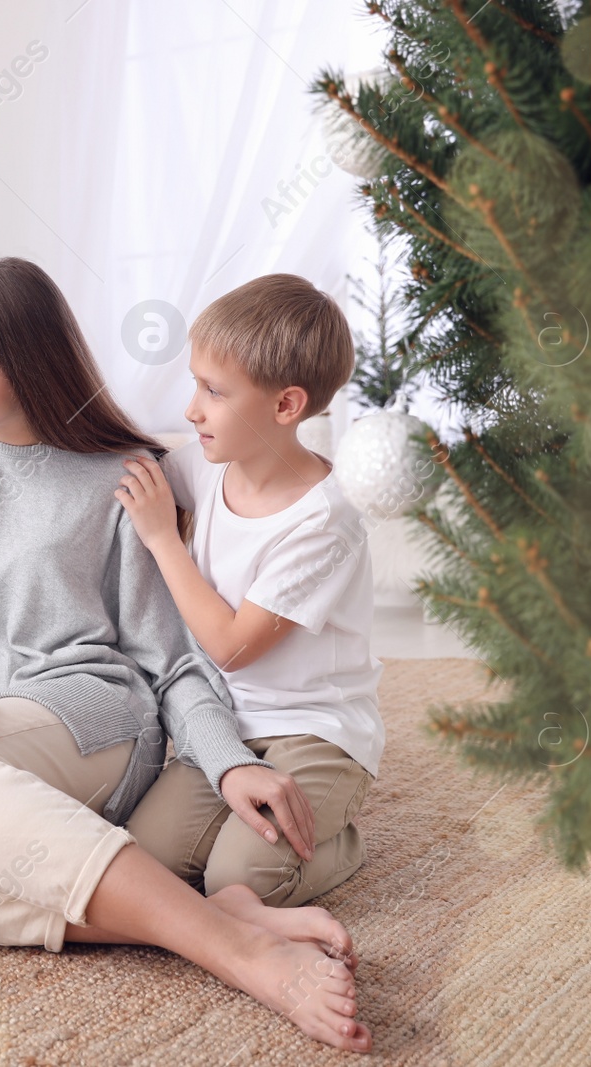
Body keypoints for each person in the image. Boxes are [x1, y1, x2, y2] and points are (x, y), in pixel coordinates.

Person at [0, 258, 373, 1052]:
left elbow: (174, 663)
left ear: (24, 366)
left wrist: (226, 760)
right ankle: (179, 924)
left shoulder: (123, 476)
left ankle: (233, 951)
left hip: (93, 715)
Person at [118, 273, 384, 907]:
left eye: (213, 390)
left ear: (286, 406)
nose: (191, 408)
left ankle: (337, 837)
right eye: (195, 382)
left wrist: (164, 541)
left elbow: (234, 647)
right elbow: (119, 458)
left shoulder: (326, 521)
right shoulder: (210, 465)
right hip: (225, 727)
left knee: (237, 883)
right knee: (146, 858)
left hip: (315, 733)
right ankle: (263, 823)